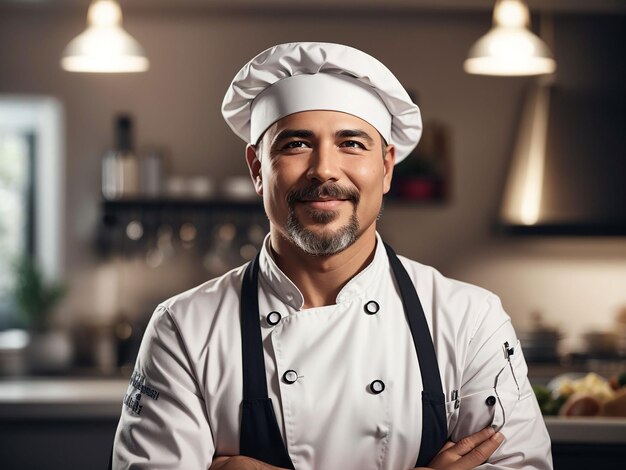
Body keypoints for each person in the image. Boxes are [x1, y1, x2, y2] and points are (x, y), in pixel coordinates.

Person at [112, 42, 553, 469]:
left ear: (386, 168)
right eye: (295, 144)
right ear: (256, 169)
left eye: (352, 144)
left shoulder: (469, 319)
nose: (324, 169)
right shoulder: (184, 328)